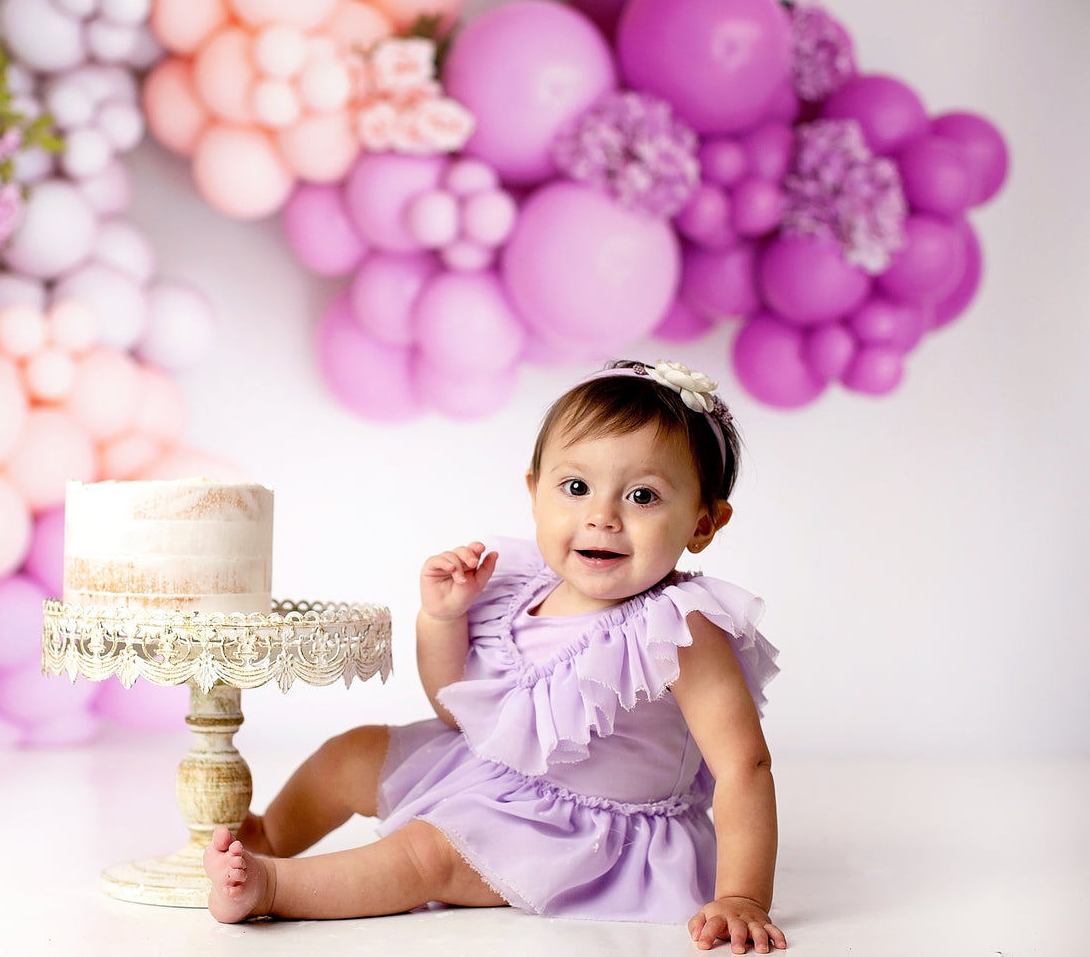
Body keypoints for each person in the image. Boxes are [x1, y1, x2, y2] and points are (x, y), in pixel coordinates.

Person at [204, 359, 786, 955]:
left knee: (427, 855)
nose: (602, 516)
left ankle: (273, 887)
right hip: (491, 771)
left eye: (642, 496)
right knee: (351, 753)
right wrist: (443, 618)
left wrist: (743, 896)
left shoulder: (678, 629)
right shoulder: (519, 588)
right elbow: (458, 711)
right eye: (576, 487)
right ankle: (271, 833)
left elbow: (745, 767)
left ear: (703, 522)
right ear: (535, 492)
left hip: (575, 831)